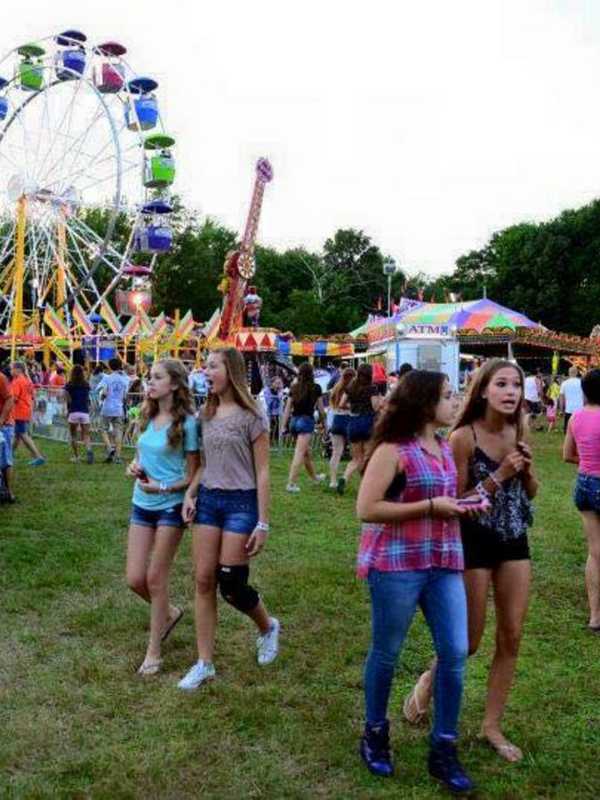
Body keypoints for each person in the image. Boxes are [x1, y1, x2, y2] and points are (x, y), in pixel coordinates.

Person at [406, 359, 538, 763]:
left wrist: (526, 471)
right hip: (474, 542)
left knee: (512, 634)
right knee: (469, 641)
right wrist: (499, 473)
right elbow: (457, 502)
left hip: (515, 538)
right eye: (501, 383)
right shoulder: (462, 437)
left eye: (516, 384)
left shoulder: (519, 430)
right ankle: (427, 683)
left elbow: (530, 492)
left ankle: (491, 725)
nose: (511, 391)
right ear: (483, 390)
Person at [356, 370, 474, 794]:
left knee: (456, 652)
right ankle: (374, 733)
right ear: (425, 403)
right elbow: (366, 508)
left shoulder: (443, 447)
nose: (455, 400)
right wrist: (430, 506)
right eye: (447, 395)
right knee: (387, 652)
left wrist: (462, 506)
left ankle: (443, 747)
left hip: (443, 561)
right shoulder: (394, 449)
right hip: (397, 564)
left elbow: (441, 502)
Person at [178, 347, 279, 691]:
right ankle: (204, 662)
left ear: (231, 371)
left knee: (231, 584)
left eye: (212, 366)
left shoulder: (253, 415)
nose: (206, 372)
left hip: (241, 503)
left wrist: (263, 522)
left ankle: (267, 627)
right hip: (209, 501)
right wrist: (191, 493)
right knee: (203, 581)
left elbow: (263, 471)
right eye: (205, 367)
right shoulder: (206, 414)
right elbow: (206, 464)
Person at [125, 359, 200, 676]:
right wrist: (134, 465)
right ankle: (168, 612)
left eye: (157, 378)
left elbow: (195, 474)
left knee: (156, 579)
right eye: (149, 377)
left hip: (170, 506)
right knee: (134, 579)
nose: (149, 383)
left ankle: (154, 652)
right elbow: (142, 452)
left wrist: (164, 486)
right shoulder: (147, 414)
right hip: (141, 503)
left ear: (174, 384)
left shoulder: (189, 424)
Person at [563, 369, 600, 633]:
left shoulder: (576, 417)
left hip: (585, 484)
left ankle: (595, 617)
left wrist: (588, 462)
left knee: (595, 552)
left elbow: (567, 454)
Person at [281, 362, 326, 493]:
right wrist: (325, 425)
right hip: (306, 422)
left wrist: (283, 426)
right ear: (312, 374)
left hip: (293, 422)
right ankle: (291, 484)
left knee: (305, 452)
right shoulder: (316, 388)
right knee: (299, 453)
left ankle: (315, 477)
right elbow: (321, 410)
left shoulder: (293, 388)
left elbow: (287, 409)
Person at [337, 364, 381, 495]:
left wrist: (353, 406)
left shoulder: (351, 387)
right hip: (368, 424)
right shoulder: (372, 388)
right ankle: (366, 487)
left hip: (353, 424)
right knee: (368, 457)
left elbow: (341, 404)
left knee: (356, 459)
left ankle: (344, 477)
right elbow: (375, 407)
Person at [10, 362, 45, 466]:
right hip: (26, 409)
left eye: (12, 369)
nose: (10, 371)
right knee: (17, 435)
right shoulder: (27, 380)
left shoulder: (17, 381)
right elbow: (32, 394)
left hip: (19, 411)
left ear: (18, 369)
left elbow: (14, 398)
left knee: (23, 434)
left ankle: (38, 456)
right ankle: (9, 454)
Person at [327, 367, 355, 489]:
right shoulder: (352, 390)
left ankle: (332, 481)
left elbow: (333, 406)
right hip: (349, 421)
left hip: (337, 421)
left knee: (336, 452)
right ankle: (345, 477)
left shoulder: (336, 389)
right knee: (356, 455)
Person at [98, 358, 130, 464]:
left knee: (103, 429)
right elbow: (125, 395)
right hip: (118, 408)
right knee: (118, 432)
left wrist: (102, 398)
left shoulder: (107, 378)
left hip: (107, 407)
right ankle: (118, 456)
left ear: (110, 367)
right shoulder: (125, 379)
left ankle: (110, 448)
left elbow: (104, 393)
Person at [64, 365, 94, 464]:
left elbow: (66, 398)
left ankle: (76, 457)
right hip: (84, 412)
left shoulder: (69, 385)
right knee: (86, 435)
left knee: (73, 436)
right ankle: (89, 449)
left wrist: (68, 407)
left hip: (73, 411)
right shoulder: (86, 384)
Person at [0, 368, 16, 502]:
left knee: (6, 460)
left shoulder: (1, 378)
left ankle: (9, 492)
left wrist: (1, 420)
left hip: (4, 426)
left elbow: (10, 399)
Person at [559, 366, 584, 433]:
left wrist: (561, 410)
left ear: (569, 373)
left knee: (567, 430)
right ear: (577, 373)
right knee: (580, 429)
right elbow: (585, 397)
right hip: (580, 408)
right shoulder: (581, 382)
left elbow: (561, 398)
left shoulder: (564, 383)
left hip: (569, 409)